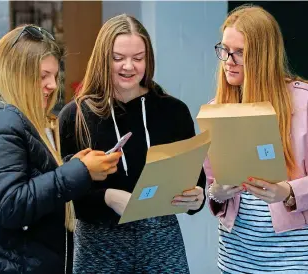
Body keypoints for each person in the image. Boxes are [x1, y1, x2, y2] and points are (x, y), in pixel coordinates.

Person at [0, 25, 122, 274]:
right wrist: (80, 171)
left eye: (54, 75)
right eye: (43, 76)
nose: (52, 85)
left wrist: (74, 165)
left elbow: (30, 179)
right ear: (15, 74)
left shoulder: (14, 120)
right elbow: (11, 205)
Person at [58, 14, 206, 273]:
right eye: (118, 58)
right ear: (103, 58)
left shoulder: (173, 111)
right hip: (98, 247)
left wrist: (197, 197)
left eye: (138, 58)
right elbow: (67, 194)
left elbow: (196, 176)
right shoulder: (75, 115)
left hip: (161, 243)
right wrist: (107, 197)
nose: (129, 66)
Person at [205, 5, 308, 274]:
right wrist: (217, 192)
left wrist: (287, 192)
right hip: (235, 258)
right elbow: (213, 184)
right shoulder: (217, 107)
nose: (228, 61)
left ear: (263, 55)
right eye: (224, 50)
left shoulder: (307, 100)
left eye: (240, 53)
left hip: (293, 259)